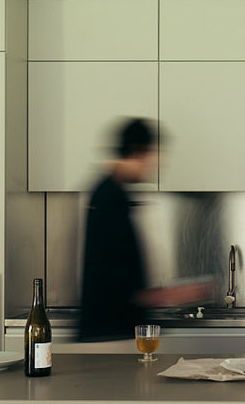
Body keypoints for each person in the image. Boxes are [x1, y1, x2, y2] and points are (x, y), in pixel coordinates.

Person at [78, 118, 210, 342]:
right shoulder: (110, 198)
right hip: (109, 336)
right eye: (154, 157)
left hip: (113, 332)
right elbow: (112, 282)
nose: (156, 165)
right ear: (140, 152)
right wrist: (171, 294)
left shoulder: (110, 192)